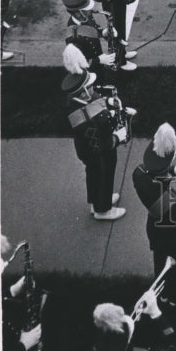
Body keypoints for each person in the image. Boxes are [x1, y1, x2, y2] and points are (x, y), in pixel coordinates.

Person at [132, 124, 176, 305]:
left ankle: (163, 291)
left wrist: (172, 170)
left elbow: (155, 177)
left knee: (160, 260)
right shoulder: (175, 205)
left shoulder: (139, 173)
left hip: (155, 227)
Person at [61, 47, 129, 221]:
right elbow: (101, 146)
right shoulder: (89, 120)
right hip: (97, 152)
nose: (93, 89)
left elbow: (93, 101)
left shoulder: (76, 101)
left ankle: (97, 201)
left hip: (86, 150)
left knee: (94, 175)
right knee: (104, 174)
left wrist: (106, 101)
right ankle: (103, 210)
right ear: (84, 92)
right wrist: (118, 137)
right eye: (90, 87)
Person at [63, 0, 131, 78]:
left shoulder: (85, 17)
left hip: (98, 62)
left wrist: (104, 32)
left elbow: (94, 29)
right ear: (77, 13)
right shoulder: (73, 38)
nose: (90, 10)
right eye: (87, 9)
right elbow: (79, 64)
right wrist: (99, 60)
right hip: (89, 73)